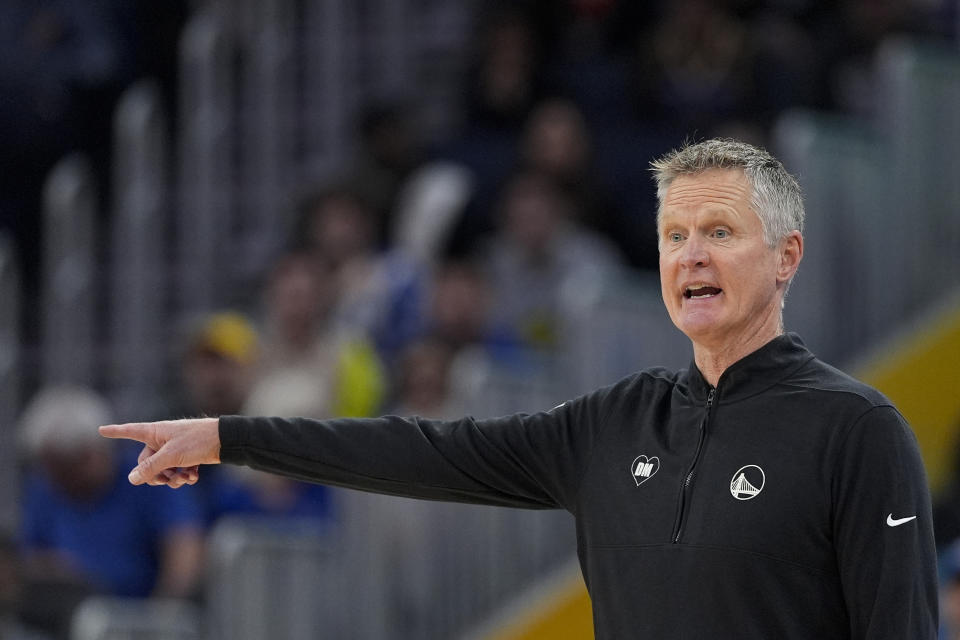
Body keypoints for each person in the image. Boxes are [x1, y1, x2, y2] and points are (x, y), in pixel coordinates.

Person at [99, 138, 938, 639]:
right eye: (675, 235)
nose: (692, 257)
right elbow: (423, 451)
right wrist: (227, 437)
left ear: (787, 257)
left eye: (721, 232)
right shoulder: (613, 424)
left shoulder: (857, 430)